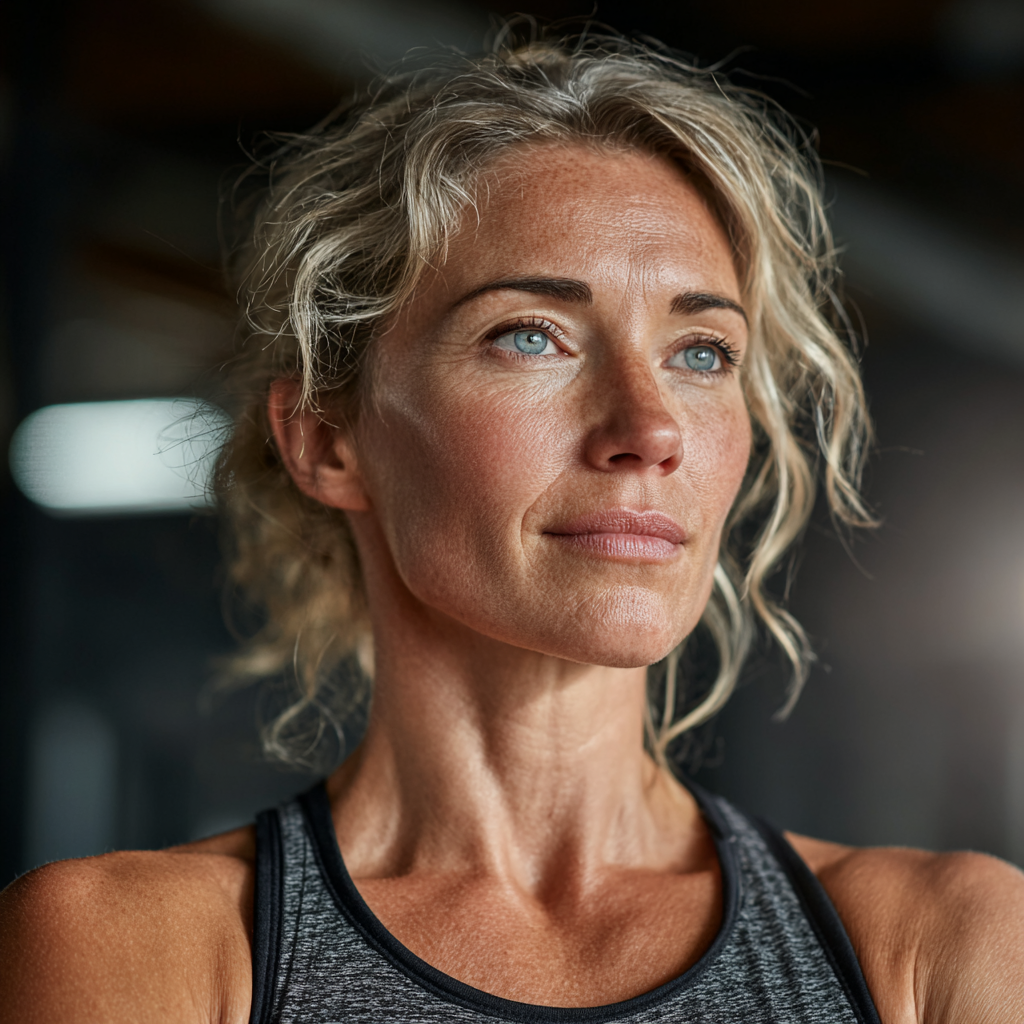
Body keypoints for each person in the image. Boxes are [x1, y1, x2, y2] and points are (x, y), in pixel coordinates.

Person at [1, 34, 1022, 1024]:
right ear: (327, 439)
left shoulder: (940, 944)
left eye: (701, 351)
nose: (649, 426)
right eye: (530, 335)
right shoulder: (138, 947)